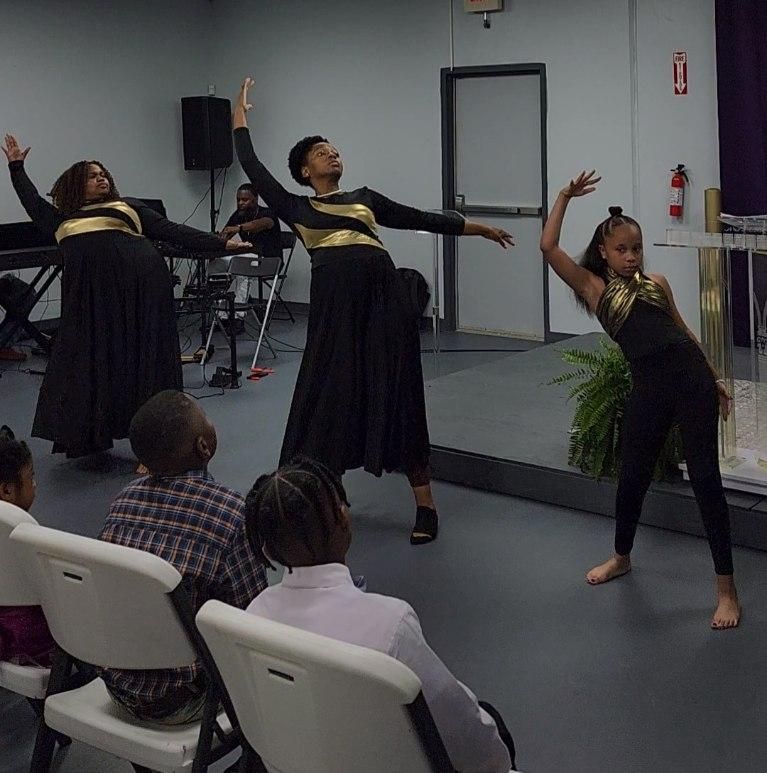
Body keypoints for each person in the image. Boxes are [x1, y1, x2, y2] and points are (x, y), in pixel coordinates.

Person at [233, 77, 514, 544]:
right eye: (322, 152)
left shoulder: (364, 198)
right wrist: (238, 115)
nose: (332, 154)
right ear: (304, 170)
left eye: (334, 149)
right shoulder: (293, 205)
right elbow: (250, 162)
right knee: (330, 395)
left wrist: (475, 227)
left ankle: (426, 506)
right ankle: (329, 489)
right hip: (334, 314)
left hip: (384, 306)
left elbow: (418, 217)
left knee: (400, 392)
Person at [540, 170, 740, 630]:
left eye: (636, 248)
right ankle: (621, 556)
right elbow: (549, 248)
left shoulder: (658, 282)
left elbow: (684, 331)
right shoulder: (595, 289)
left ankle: (726, 589)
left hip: (691, 383)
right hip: (649, 389)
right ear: (604, 253)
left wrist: (715, 378)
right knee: (632, 476)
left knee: (707, 481)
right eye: (621, 250)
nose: (631, 257)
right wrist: (564, 196)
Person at [244, 457, 517, 772]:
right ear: (343, 521)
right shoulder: (390, 624)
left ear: (265, 549)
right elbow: (461, 733)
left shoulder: (254, 616)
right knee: (490, 721)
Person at [2, 134, 245, 459]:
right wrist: (16, 168)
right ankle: (91, 435)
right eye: (92, 174)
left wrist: (220, 243)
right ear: (76, 184)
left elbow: (172, 230)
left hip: (142, 291)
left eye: (103, 173)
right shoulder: (60, 220)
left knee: (146, 363)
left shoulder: (127, 206)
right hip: (92, 303)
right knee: (88, 361)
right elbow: (32, 201)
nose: (101, 177)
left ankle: (160, 448)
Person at [99, 390, 267, 723]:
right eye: (206, 418)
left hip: (117, 683)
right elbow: (254, 619)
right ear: (204, 446)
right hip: (184, 697)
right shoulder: (230, 513)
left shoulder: (123, 500)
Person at [0, 425, 56, 667]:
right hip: (27, 639)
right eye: (31, 477)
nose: (35, 485)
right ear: (7, 490)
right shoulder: (27, 538)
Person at [210, 182, 282, 332]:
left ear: (255, 199)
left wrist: (239, 228)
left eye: (245, 200)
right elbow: (226, 234)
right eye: (238, 200)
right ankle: (221, 316)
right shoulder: (238, 215)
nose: (240, 203)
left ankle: (237, 319)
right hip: (247, 258)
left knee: (242, 266)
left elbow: (265, 223)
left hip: (269, 260)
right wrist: (217, 238)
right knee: (216, 264)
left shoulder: (267, 213)